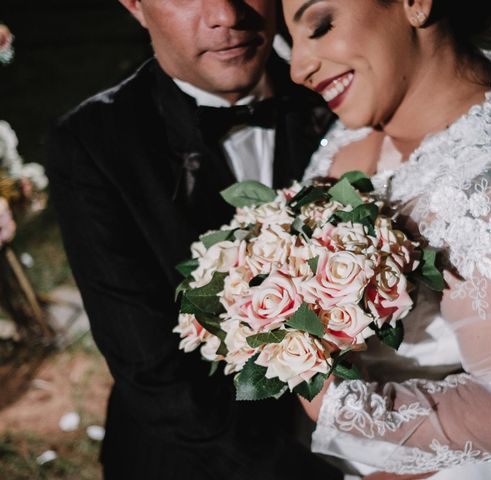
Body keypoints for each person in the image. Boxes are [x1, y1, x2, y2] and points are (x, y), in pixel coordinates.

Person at [282, 0, 491, 479]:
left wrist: (337, 403)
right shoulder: (366, 125)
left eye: (319, 25)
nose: (298, 68)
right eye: (290, 40)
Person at [47, 1, 343, 479]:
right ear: (134, 6)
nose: (227, 14)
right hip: (196, 454)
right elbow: (153, 371)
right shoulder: (94, 144)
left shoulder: (342, 98)